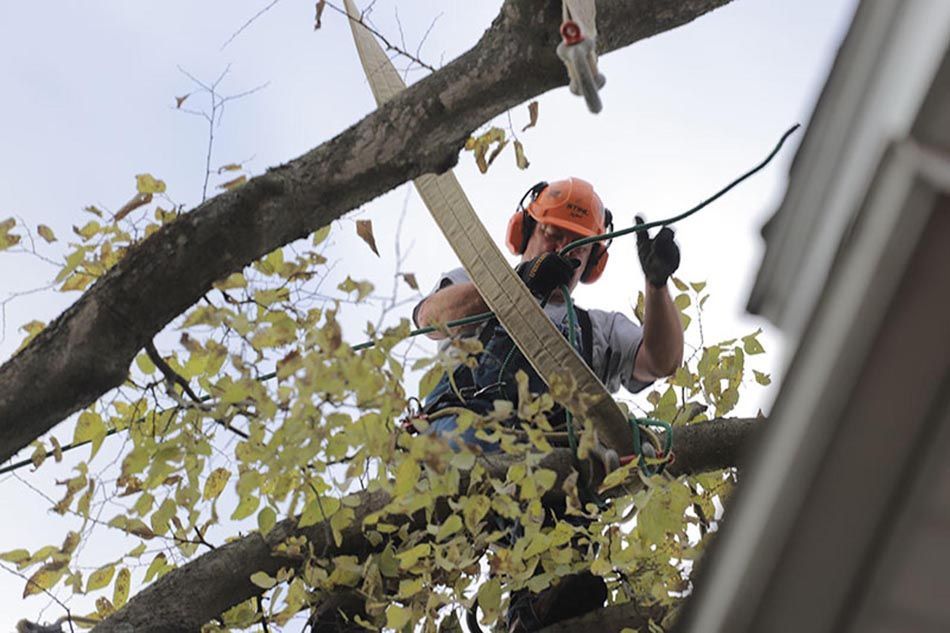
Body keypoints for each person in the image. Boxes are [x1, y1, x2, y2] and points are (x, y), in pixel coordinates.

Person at [411, 177, 685, 631]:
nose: (562, 249)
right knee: (404, 528)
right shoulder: (474, 283)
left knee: (570, 497)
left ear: (591, 260)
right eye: (552, 234)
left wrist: (657, 286)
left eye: (576, 245)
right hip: (462, 433)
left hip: (550, 456)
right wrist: (515, 286)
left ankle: (545, 601)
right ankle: (345, 611)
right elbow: (431, 318)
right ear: (526, 230)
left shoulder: (595, 330)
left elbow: (661, 359)